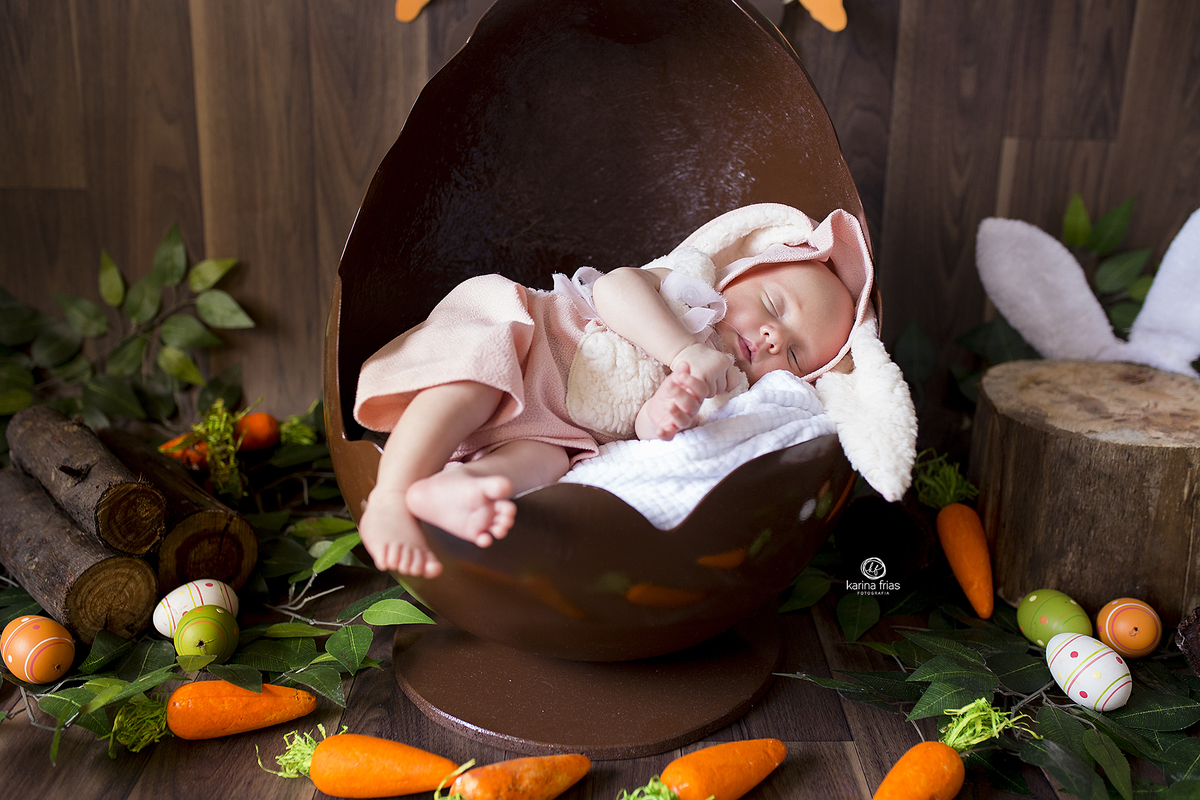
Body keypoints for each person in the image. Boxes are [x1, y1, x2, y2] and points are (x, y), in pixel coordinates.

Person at [353, 204, 873, 578]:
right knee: (476, 384)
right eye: (774, 306)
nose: (773, 336)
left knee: (545, 463)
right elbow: (614, 287)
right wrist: (681, 350)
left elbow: (638, 428)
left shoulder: (727, 390)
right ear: (739, 273)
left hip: (554, 429)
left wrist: (670, 411)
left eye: (795, 354)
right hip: (530, 344)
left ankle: (462, 485)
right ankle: (392, 494)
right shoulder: (688, 287)